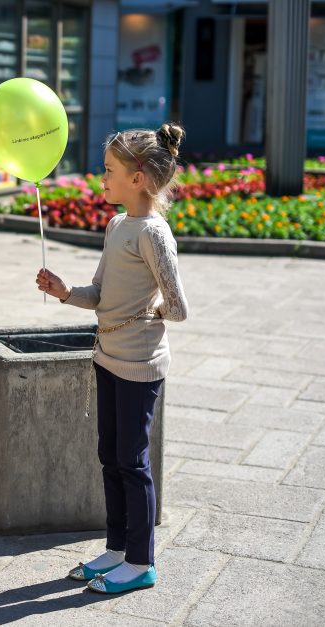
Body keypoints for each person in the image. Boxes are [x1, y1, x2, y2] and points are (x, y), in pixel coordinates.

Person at [36, 123, 190, 595]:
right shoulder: (117, 225)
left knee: (132, 459)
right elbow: (100, 293)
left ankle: (141, 562)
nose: (101, 179)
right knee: (110, 455)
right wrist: (65, 293)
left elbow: (178, 306)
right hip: (107, 356)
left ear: (138, 177)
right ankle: (117, 549)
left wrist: (149, 315)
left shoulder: (153, 233)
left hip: (139, 364)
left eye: (109, 171)